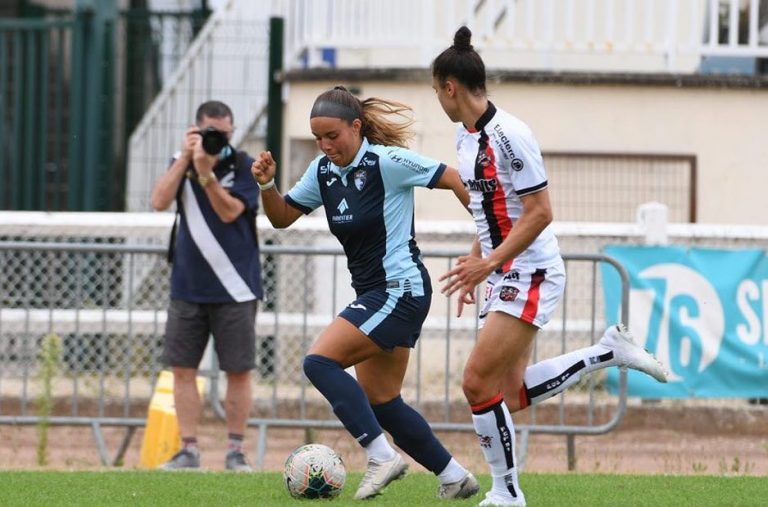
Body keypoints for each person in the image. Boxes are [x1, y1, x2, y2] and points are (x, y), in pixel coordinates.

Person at [432, 27, 669, 506]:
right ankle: (608, 352)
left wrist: (490, 262)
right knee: (509, 394)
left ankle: (507, 494)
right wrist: (478, 260)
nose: (436, 96)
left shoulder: (511, 136)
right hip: (499, 271)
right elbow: (491, 208)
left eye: (435, 88)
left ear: (450, 87)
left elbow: (540, 212)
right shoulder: (464, 136)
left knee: (476, 383)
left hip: (531, 271)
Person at [251, 86, 479, 500]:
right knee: (382, 400)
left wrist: (488, 242)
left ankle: (380, 455)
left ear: (356, 127)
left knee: (319, 362)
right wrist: (267, 186)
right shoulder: (323, 172)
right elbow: (283, 217)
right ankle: (453, 476)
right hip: (378, 293)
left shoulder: (386, 161)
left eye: (332, 136)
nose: (325, 145)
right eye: (318, 138)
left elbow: (454, 178)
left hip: (399, 289)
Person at [150, 100, 263, 472]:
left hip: (236, 286)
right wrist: (186, 160)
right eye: (210, 132)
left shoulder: (245, 165)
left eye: (224, 133)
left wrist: (206, 175)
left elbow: (231, 212)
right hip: (188, 283)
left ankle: (235, 450)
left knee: (238, 369)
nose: (218, 139)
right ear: (195, 130)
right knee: (182, 369)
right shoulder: (180, 161)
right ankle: (188, 448)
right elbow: (158, 201)